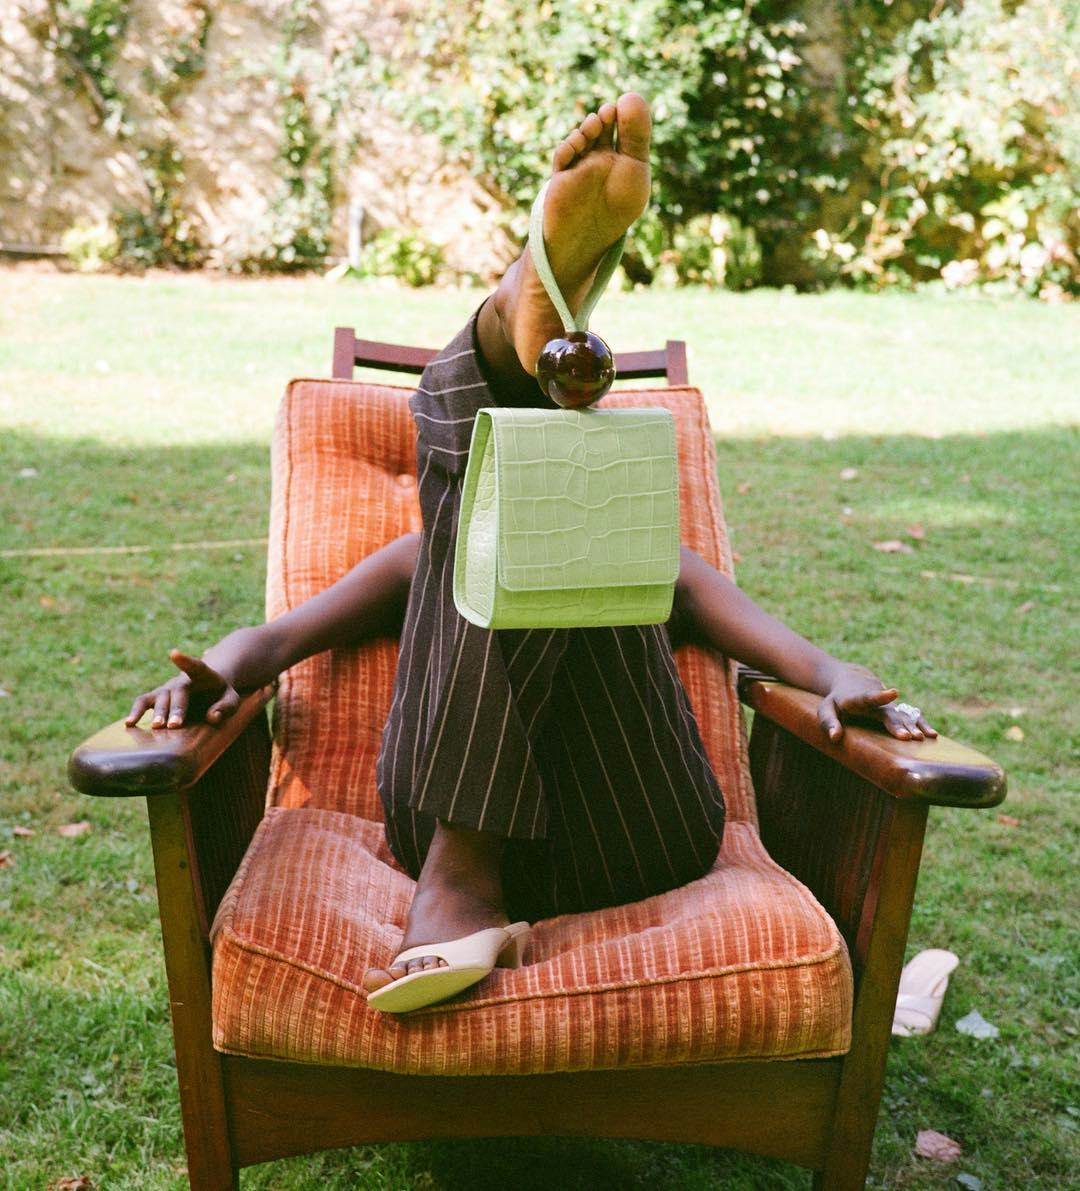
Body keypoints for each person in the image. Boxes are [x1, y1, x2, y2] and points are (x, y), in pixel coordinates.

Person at [125, 93, 936, 1010]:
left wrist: (831, 671)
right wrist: (217, 673)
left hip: (632, 808)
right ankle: (521, 330)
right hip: (541, 819)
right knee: (479, 538)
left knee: (574, 534)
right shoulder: (424, 562)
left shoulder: (518, 544)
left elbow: (689, 586)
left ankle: (512, 328)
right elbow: (271, 643)